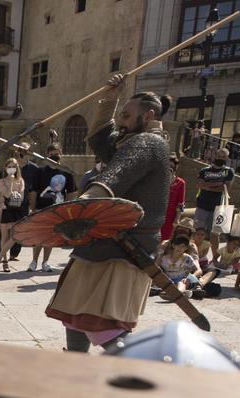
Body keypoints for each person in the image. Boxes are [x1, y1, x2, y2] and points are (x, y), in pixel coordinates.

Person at [46, 78, 172, 352]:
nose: (122, 121)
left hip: (127, 248)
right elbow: (99, 139)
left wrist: (84, 203)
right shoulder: (129, 141)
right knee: (75, 317)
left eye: (126, 116)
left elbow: (115, 176)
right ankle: (75, 369)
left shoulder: (149, 143)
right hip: (101, 243)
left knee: (106, 326)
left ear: (148, 115)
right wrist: (111, 98)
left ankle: (135, 375)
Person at [193, 148, 235, 261]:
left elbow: (224, 187)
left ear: (227, 158)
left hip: (218, 207)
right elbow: (199, 185)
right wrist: (217, 183)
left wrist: (208, 185)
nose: (220, 158)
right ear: (215, 155)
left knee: (214, 235)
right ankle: (196, 256)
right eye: (219, 155)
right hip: (202, 205)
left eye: (223, 157)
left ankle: (215, 258)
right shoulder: (204, 170)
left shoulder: (228, 171)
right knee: (198, 232)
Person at [28, 172, 71, 272]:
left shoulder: (66, 173)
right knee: (38, 236)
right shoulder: (41, 171)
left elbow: (72, 192)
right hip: (41, 210)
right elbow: (34, 191)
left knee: (50, 237)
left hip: (57, 212)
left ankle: (45, 262)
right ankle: (34, 261)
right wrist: (32, 208)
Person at [0, 157, 25, 272]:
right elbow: (6, 195)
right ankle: (4, 261)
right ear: (5, 168)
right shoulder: (1, 181)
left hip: (16, 210)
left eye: (13, 167)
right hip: (5, 209)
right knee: (4, 236)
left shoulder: (21, 181)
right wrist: (10, 183)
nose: (11, 169)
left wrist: (15, 195)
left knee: (15, 236)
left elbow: (21, 197)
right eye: (9, 167)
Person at [162, 154, 186, 241]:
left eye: (171, 166)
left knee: (165, 240)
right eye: (167, 166)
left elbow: (180, 203)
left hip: (170, 217)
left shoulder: (180, 183)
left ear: (175, 168)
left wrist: (177, 219)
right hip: (158, 213)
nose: (169, 168)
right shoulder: (159, 180)